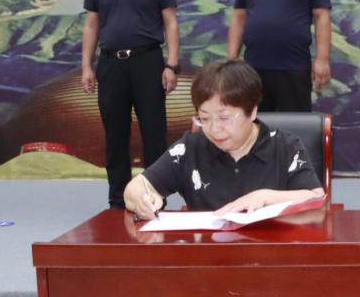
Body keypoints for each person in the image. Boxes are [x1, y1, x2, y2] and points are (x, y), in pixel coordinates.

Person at [125, 59, 324, 219]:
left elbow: (316, 198)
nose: (214, 129)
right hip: (209, 252)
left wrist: (265, 197)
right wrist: (143, 200)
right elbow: (136, 188)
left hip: (271, 253)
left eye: (224, 118)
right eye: (204, 118)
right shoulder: (191, 147)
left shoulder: (285, 146)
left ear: (252, 111)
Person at [82, 0, 180, 209]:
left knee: (154, 133)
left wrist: (172, 64)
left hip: (147, 62)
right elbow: (91, 25)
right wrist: (86, 66)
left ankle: (154, 196)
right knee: (115, 134)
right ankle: (117, 199)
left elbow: (170, 22)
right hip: (110, 64)